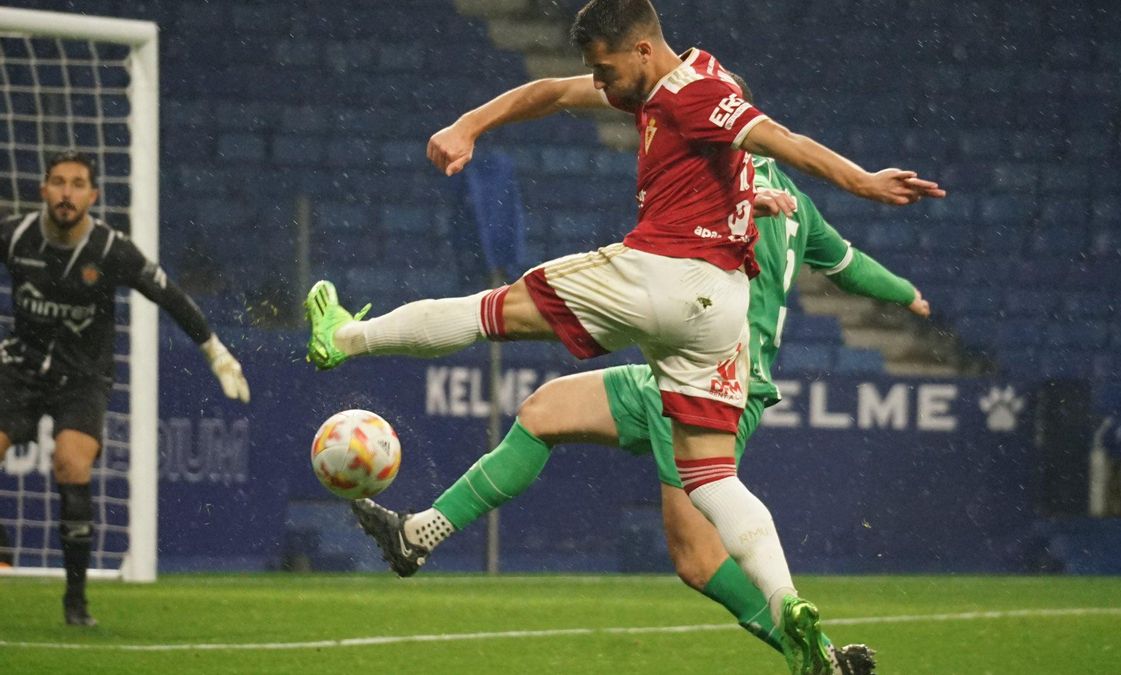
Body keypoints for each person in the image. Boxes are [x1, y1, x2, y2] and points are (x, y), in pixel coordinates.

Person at [306, 2, 942, 672]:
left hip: (667, 281)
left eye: (605, 68)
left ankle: (343, 338)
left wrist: (864, 181)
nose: (599, 82)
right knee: (606, 436)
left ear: (640, 49)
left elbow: (779, 138)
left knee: (492, 311)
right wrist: (471, 124)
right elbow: (552, 90)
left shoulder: (699, 95)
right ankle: (792, 613)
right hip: (709, 331)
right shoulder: (675, 101)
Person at [0, 151, 250, 626]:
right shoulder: (15, 236)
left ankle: (76, 602)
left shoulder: (111, 250)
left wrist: (215, 351)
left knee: (71, 464)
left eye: (77, 184)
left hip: (83, 376)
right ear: (43, 190)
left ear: (93, 196)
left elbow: (169, 296)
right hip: (19, 367)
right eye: (58, 182)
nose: (67, 193)